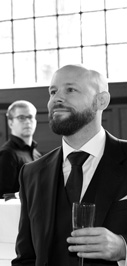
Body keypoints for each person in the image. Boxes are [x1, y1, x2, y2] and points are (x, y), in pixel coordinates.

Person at [12, 64, 127, 266]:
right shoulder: (31, 173)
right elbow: (26, 258)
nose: (57, 98)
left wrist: (123, 248)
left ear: (101, 100)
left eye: (70, 90)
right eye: (53, 92)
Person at [0, 100, 41, 199]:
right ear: (10, 123)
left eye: (30, 117)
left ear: (35, 121)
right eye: (21, 118)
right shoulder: (6, 155)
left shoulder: (36, 153)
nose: (27, 122)